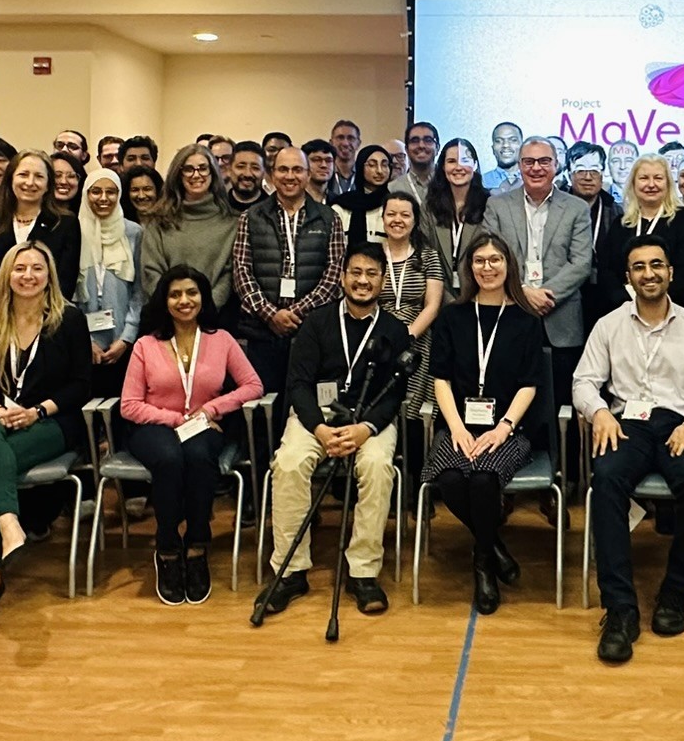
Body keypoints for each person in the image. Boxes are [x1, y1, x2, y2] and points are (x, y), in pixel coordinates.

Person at [574, 237, 684, 664]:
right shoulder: (609, 325)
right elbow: (584, 381)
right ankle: (620, 609)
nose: (649, 273)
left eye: (657, 265)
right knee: (605, 480)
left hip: (680, 423)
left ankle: (676, 593)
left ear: (671, 273)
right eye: (639, 267)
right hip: (628, 423)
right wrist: (600, 412)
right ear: (628, 278)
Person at [256, 245, 412, 617]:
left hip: (369, 421)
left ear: (382, 280)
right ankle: (291, 571)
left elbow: (396, 393)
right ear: (342, 276)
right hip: (317, 418)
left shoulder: (394, 330)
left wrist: (365, 429)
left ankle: (362, 571)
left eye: (371, 273)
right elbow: (298, 384)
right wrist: (320, 429)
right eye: (355, 272)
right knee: (289, 463)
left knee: (376, 468)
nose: (362, 280)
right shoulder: (316, 323)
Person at [0, 242, 93, 630]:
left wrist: (37, 411)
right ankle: (10, 525)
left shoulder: (70, 320)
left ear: (49, 276)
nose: (28, 275)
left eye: (37, 268)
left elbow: (82, 383)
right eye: (19, 268)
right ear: (7, 276)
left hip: (49, 423)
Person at [121, 265, 263, 604]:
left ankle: (198, 544)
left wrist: (211, 409)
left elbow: (253, 385)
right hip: (154, 426)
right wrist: (174, 418)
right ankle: (168, 547)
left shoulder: (221, 340)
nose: (184, 301)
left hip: (204, 425)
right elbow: (129, 405)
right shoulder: (145, 344)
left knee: (199, 456)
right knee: (170, 458)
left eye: (191, 292)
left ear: (203, 297)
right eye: (175, 294)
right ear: (164, 300)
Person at [426, 234, 548, 613]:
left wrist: (503, 427)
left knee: (482, 479)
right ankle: (494, 546)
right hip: (459, 423)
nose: (488, 267)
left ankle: (482, 565)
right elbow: (440, 378)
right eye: (480, 260)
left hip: (509, 428)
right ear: (469, 268)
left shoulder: (526, 320)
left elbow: (530, 384)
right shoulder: (453, 316)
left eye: (495, 260)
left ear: (508, 265)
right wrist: (457, 428)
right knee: (448, 478)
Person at [482, 137, 595, 400]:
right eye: (529, 161)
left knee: (559, 403)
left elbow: (581, 262)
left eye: (544, 161)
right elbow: (490, 255)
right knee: (510, 397)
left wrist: (544, 294)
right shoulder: (497, 205)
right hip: (510, 312)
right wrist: (522, 291)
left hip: (561, 318)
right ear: (519, 166)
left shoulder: (576, 208)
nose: (536, 168)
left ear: (557, 165)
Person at [231, 144, 347, 395]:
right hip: (262, 332)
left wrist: (296, 312)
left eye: (297, 169)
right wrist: (271, 314)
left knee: (307, 401)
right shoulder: (251, 217)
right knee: (262, 401)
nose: (290, 176)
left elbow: (334, 274)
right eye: (283, 169)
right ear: (272, 175)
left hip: (312, 331)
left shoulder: (329, 218)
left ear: (307, 174)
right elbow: (241, 272)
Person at [0, 150, 82, 315]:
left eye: (39, 176)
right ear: (11, 179)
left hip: (45, 322)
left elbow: (64, 284)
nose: (30, 182)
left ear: (49, 184)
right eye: (23, 174)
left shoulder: (65, 224)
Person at [137, 144, 238, 313]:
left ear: (212, 172)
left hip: (213, 318)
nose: (196, 175)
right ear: (178, 173)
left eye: (203, 168)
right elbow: (151, 271)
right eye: (189, 169)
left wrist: (201, 310)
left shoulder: (232, 222)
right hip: (166, 319)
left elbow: (228, 277)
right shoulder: (159, 221)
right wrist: (176, 308)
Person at [600, 154, 684, 310]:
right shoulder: (621, 223)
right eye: (644, 178)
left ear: (668, 183)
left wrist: (655, 303)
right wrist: (627, 303)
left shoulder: (682, 219)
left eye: (658, 178)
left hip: (671, 310)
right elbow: (607, 271)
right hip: (625, 311)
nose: (651, 184)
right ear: (633, 183)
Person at [377, 193, 443, 415]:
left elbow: (432, 306)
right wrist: (388, 339)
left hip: (417, 337)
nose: (398, 220)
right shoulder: (371, 254)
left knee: (413, 408)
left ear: (415, 220)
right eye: (391, 214)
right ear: (382, 217)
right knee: (380, 402)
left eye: (405, 215)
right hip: (377, 338)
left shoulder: (428, 256)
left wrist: (406, 336)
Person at [78, 168, 141, 399]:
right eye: (96, 191)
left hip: (123, 338)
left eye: (111, 192)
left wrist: (126, 338)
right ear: (86, 195)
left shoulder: (133, 232)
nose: (103, 198)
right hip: (83, 340)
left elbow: (139, 291)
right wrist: (85, 341)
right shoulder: (75, 231)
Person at [568, 142, 624, 332]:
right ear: (569, 174)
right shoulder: (555, 209)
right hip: (566, 295)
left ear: (603, 174)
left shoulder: (617, 212)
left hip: (607, 298)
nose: (588, 177)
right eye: (580, 170)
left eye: (594, 170)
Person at [426, 137, 489, 297]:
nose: (458, 167)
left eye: (465, 160)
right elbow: (426, 254)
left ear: (475, 165)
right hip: (438, 295)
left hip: (480, 294)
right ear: (443, 167)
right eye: (452, 161)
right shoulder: (429, 206)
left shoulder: (489, 204)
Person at [331, 143, 398, 248]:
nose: (380, 171)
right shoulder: (342, 206)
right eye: (372, 165)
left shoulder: (394, 205)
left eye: (385, 165)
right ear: (360, 167)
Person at [393, 121, 442, 206]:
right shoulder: (393, 188)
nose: (421, 145)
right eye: (414, 140)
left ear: (437, 148)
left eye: (428, 140)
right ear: (407, 149)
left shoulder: (450, 183)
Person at [49, 152, 88, 232]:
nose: (63, 182)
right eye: (57, 175)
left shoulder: (87, 217)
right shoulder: (35, 217)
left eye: (71, 176)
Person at [325, 118, 362, 198]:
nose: (345, 143)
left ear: (358, 143)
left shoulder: (364, 174)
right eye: (340, 138)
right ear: (331, 143)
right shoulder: (324, 173)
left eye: (351, 138)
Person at [226, 140, 267, 210]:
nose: (248, 174)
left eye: (255, 168)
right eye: (241, 167)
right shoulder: (217, 207)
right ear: (229, 170)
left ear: (264, 173)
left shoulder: (275, 211)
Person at [484, 121, 524, 192]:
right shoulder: (482, 182)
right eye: (498, 141)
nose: (505, 145)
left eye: (513, 140)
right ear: (493, 148)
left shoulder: (535, 179)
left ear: (523, 146)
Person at [301, 138, 336, 203]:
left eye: (328, 160)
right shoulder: (294, 199)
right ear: (304, 163)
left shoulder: (338, 202)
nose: (324, 165)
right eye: (316, 160)